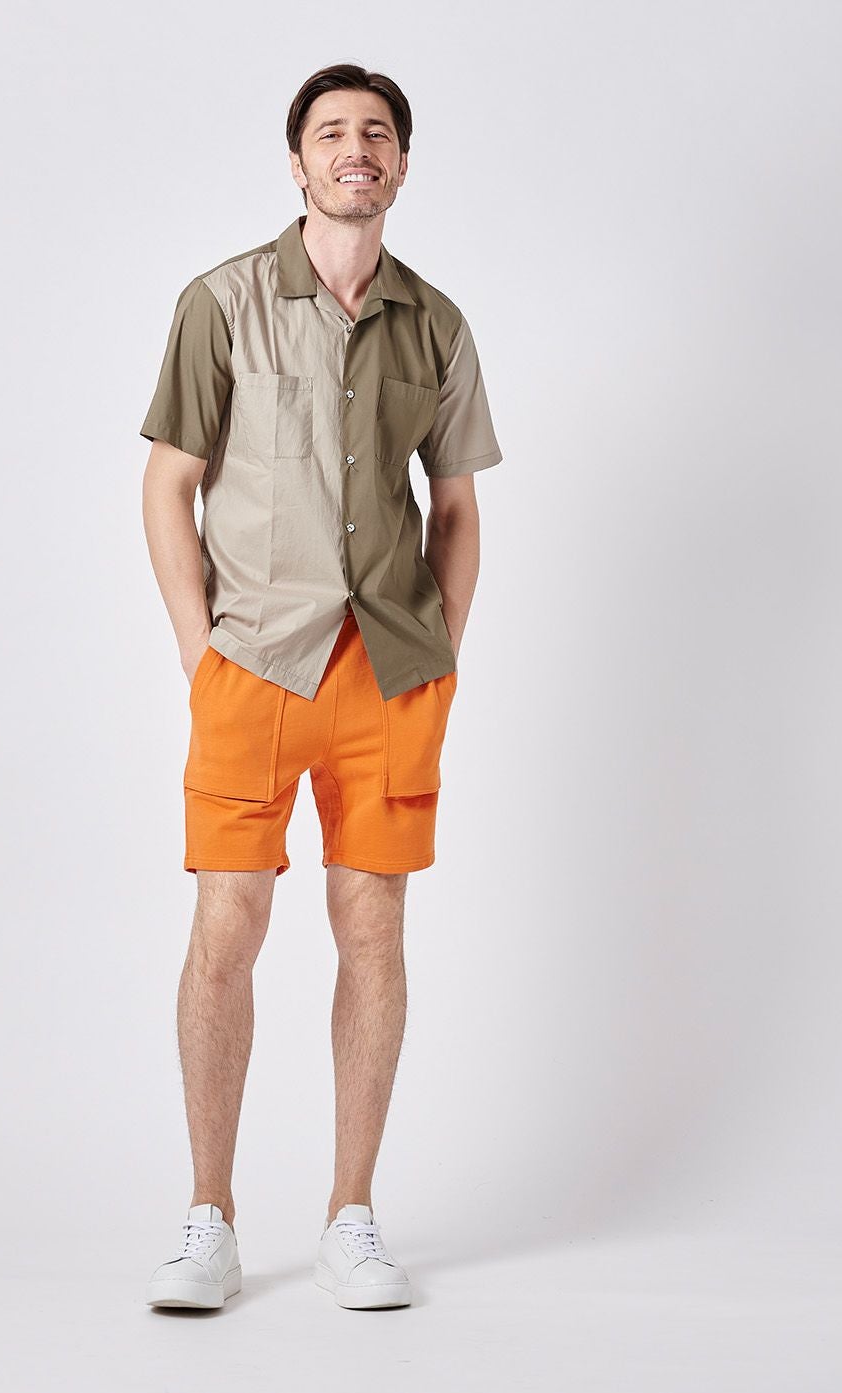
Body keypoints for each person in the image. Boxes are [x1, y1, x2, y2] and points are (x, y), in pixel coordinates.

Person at [139, 62, 503, 1311]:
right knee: (226, 927)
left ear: (401, 163)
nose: (358, 148)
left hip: (388, 676)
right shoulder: (221, 302)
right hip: (252, 665)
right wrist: (200, 653)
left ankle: (353, 1212)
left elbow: (456, 508)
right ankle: (210, 1217)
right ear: (297, 162)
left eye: (378, 133)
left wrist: (438, 659)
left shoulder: (436, 324)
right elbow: (168, 484)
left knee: (374, 930)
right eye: (334, 132)